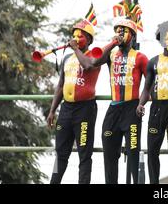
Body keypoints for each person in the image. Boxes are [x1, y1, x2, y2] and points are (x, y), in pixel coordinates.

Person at [77, 15, 148, 184]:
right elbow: (94, 62)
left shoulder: (140, 57)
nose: (119, 33)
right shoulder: (112, 54)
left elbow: (149, 84)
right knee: (109, 154)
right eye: (117, 30)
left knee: (132, 154)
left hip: (132, 109)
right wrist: (112, 43)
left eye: (123, 31)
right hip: (113, 109)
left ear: (133, 35)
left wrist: (141, 103)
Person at [47, 18, 101, 184]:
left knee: (84, 154)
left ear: (89, 40)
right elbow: (60, 86)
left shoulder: (96, 55)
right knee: (60, 153)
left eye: (81, 36)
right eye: (75, 35)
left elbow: (86, 65)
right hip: (66, 109)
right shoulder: (67, 58)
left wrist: (76, 48)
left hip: (85, 110)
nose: (76, 38)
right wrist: (52, 111)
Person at [136, 20, 168, 184]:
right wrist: (141, 104)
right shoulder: (153, 62)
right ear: (161, 39)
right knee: (152, 150)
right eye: (167, 37)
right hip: (156, 108)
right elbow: (146, 88)